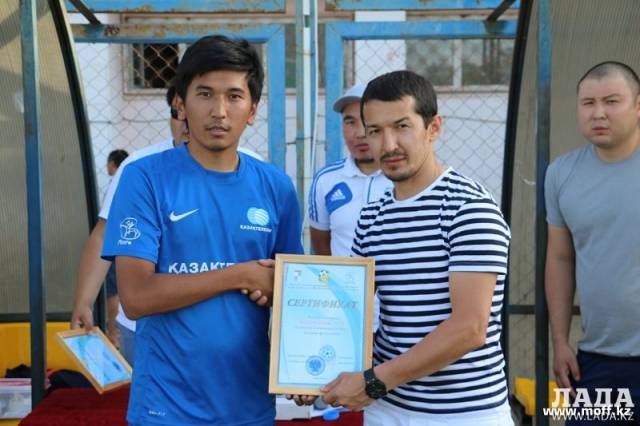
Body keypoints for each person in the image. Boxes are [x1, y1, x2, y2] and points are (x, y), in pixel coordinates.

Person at [102, 35, 303, 425]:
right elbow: (136, 297)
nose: (219, 111)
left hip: (249, 407)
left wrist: (303, 366)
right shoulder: (144, 178)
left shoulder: (276, 187)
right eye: (205, 94)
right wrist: (240, 275)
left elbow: (292, 293)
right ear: (181, 104)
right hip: (166, 409)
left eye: (234, 96)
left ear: (253, 110)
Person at [320, 70, 513, 425]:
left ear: (433, 127)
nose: (388, 144)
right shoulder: (372, 216)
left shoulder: (468, 208)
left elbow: (469, 328)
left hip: (463, 415)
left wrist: (375, 382)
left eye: (402, 127)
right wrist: (312, 373)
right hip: (387, 410)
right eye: (375, 131)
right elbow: (349, 308)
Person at [544, 61, 640, 418]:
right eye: (588, 103)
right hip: (596, 361)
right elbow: (560, 258)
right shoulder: (561, 173)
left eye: (611, 101)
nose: (598, 113)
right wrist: (559, 342)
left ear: (638, 106)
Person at [70, 86, 189, 365]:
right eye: (176, 112)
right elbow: (103, 235)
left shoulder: (251, 170)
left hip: (218, 330)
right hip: (144, 328)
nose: (183, 122)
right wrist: (84, 301)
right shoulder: (138, 167)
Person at [308, 82, 391, 335]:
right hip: (345, 320)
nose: (359, 133)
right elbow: (322, 246)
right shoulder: (326, 180)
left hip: (400, 322)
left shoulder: (405, 178)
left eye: (367, 122)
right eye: (350, 122)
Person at [103, 149, 129, 347]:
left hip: (115, 243)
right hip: (130, 245)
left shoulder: (115, 184)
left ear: (112, 164)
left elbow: (104, 222)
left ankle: (114, 333)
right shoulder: (132, 180)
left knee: (113, 291)